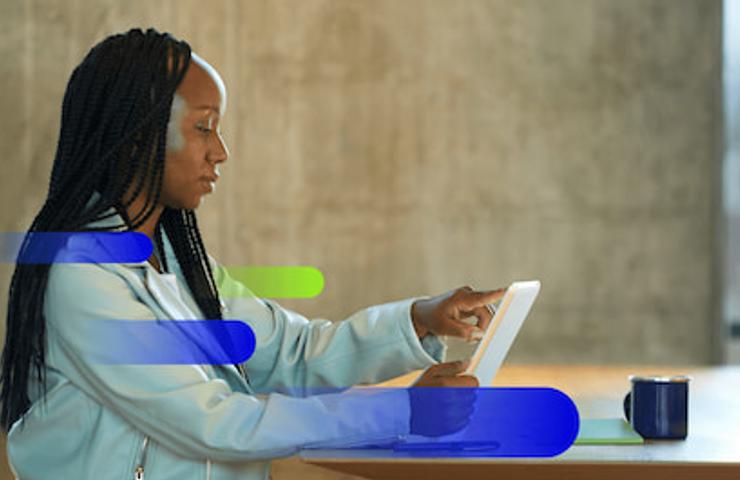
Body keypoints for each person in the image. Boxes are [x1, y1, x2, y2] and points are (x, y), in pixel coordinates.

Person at [0, 28, 504, 480]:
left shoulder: (178, 264)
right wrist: (402, 412)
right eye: (204, 127)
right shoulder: (82, 276)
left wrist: (420, 319)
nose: (220, 151)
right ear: (139, 136)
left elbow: (295, 354)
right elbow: (214, 422)